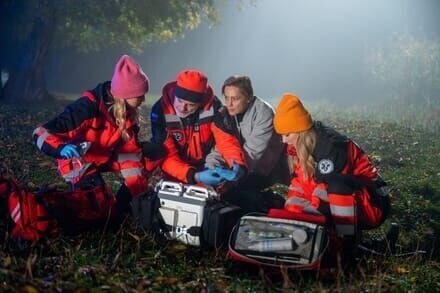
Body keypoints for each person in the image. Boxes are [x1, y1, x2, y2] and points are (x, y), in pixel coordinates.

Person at [32, 55, 153, 222]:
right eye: (140, 94)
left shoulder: (129, 115)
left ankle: (124, 205)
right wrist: (60, 148)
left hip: (104, 157)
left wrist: (138, 193)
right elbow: (40, 132)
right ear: (126, 94)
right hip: (78, 160)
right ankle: (47, 207)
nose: (144, 99)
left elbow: (130, 155)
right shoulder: (88, 107)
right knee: (99, 211)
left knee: (149, 156)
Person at [272, 93, 390, 243]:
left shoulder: (332, 148)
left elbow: (326, 196)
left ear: (300, 130)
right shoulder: (301, 146)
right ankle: (328, 241)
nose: (283, 140)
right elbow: (300, 185)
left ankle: (347, 242)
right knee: (296, 204)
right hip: (349, 201)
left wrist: (308, 222)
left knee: (335, 187)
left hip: (373, 203)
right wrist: (291, 216)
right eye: (281, 135)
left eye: (287, 134)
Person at [205, 75, 290, 213]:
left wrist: (227, 182)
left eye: (235, 98)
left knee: (242, 203)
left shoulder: (264, 114)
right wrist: (211, 167)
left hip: (268, 175)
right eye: (226, 98)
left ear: (249, 97)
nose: (229, 104)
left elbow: (251, 154)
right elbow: (221, 146)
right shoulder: (226, 114)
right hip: (240, 170)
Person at [150, 69, 247, 186]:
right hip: (174, 170)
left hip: (207, 166)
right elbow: (166, 155)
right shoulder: (160, 111)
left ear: (200, 103)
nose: (182, 108)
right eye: (179, 100)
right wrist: (195, 176)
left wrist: (237, 164)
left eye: (190, 104)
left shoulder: (215, 108)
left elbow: (227, 141)